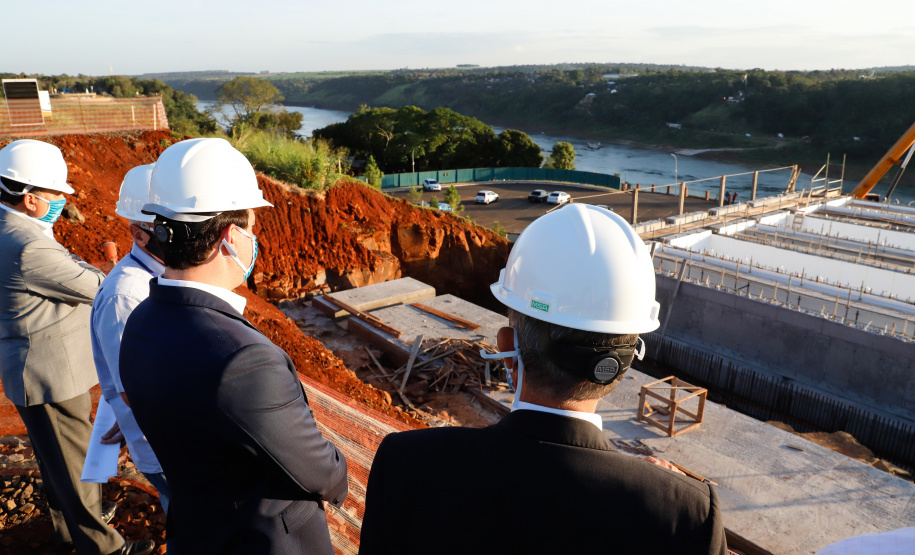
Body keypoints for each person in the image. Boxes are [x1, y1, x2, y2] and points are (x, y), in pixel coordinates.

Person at [359, 204, 727, 555]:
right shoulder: (687, 514)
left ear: (507, 349)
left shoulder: (407, 464)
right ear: (624, 363)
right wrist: (664, 491)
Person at [119, 138, 349, 554]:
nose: (253, 240)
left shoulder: (141, 320)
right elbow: (318, 472)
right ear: (229, 237)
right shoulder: (244, 358)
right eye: (251, 229)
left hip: (196, 530)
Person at [0, 139, 154, 555]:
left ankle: (69, 529)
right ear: (30, 199)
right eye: (55, 194)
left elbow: (71, 270)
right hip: (50, 374)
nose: (62, 202)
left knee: (58, 459)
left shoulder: (14, 230)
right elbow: (97, 285)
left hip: (34, 366)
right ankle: (103, 548)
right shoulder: (30, 246)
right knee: (73, 463)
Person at [90, 164, 170, 513]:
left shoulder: (164, 277)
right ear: (139, 234)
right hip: (164, 448)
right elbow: (135, 391)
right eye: (171, 231)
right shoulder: (126, 296)